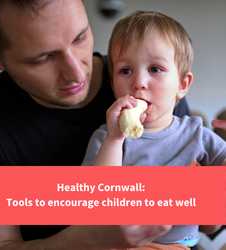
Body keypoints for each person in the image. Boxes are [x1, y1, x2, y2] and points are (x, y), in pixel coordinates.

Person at [0, 1, 193, 250]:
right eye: (43, 58)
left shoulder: (154, 91)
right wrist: (86, 240)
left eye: (80, 38)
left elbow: (206, 217)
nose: (77, 74)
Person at [81, 10, 224, 249]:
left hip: (185, 243)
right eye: (125, 71)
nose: (138, 82)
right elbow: (93, 199)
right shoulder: (108, 137)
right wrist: (115, 140)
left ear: (181, 85)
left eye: (155, 69)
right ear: (113, 83)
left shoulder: (197, 134)